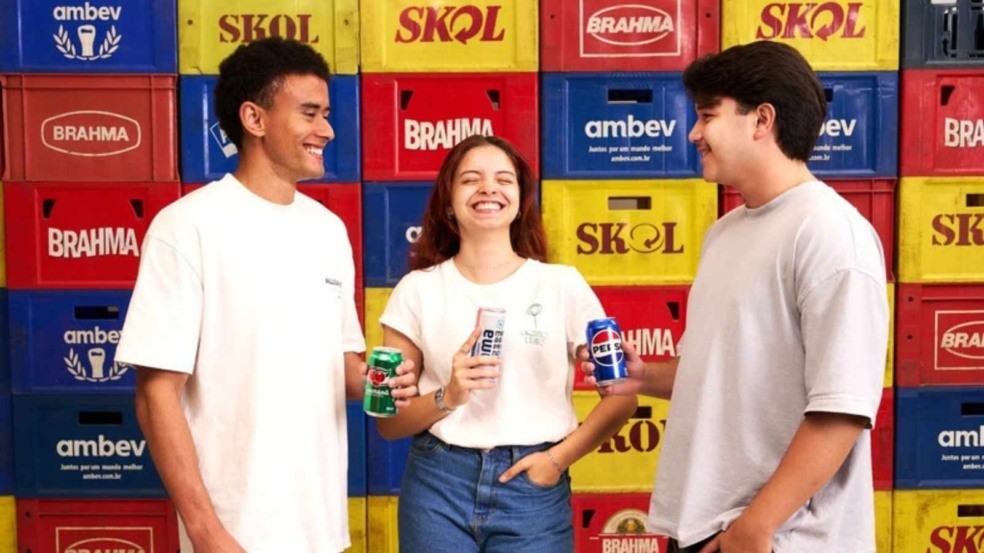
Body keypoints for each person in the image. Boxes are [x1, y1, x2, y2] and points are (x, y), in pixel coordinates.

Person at [582, 41, 888, 553]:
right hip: (703, 526)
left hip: (782, 538)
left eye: (707, 115)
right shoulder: (725, 232)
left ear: (761, 119)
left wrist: (756, 526)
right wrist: (645, 377)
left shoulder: (832, 233)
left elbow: (842, 409)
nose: (694, 133)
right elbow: (730, 372)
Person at [115, 37, 417, 553]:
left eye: (325, 113)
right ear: (254, 119)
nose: (327, 130)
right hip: (235, 533)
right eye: (309, 113)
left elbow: (342, 366)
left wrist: (383, 380)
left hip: (322, 529)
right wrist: (208, 533)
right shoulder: (187, 226)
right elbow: (155, 395)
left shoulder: (328, 229)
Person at [375, 135, 638, 552]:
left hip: (533, 485)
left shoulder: (561, 285)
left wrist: (556, 461)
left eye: (503, 179)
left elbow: (622, 397)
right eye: (470, 180)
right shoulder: (417, 290)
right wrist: (449, 395)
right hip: (437, 484)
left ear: (519, 201)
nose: (488, 189)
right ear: (448, 202)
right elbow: (389, 423)